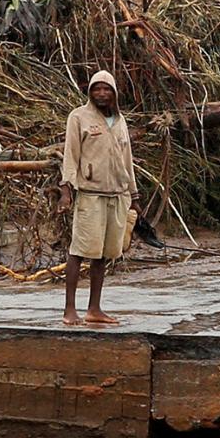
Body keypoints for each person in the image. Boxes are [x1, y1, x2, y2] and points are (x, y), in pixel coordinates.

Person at [59, 69, 135, 327]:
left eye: (106, 89)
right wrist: (66, 189)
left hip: (117, 194)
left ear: (114, 93)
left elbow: (127, 160)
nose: (101, 93)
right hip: (90, 195)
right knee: (79, 250)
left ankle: (94, 309)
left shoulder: (119, 120)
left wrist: (133, 194)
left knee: (102, 254)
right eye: (96, 89)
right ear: (89, 91)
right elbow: (71, 155)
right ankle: (70, 309)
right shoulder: (78, 117)